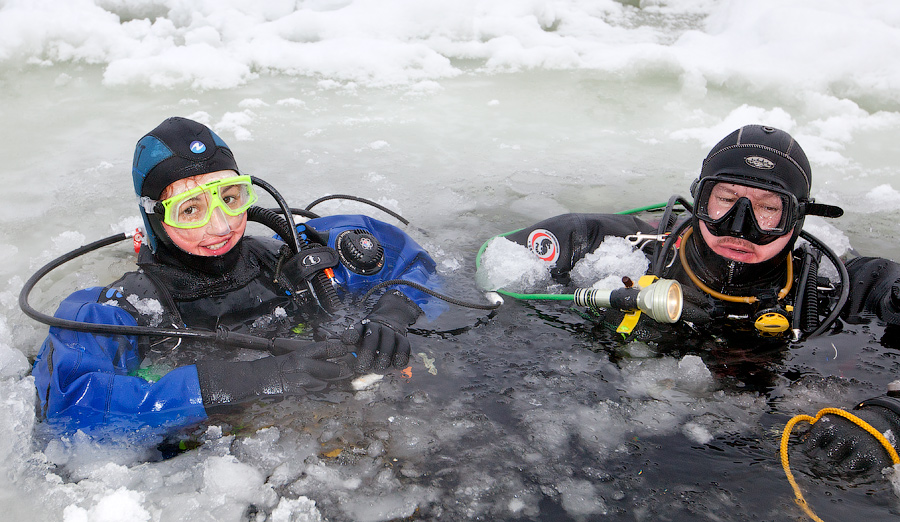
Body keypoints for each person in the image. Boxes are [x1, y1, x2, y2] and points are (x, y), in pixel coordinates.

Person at [482, 124, 900, 474]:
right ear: (700, 198)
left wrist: (890, 414)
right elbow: (493, 270)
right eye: (725, 200)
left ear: (797, 218)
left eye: (768, 209)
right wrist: (607, 317)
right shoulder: (608, 245)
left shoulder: (848, 285)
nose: (739, 226)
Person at [31, 116, 443, 434]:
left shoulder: (287, 258)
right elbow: (70, 407)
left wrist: (394, 313)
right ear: (154, 218)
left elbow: (408, 259)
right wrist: (247, 380)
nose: (221, 226)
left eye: (230, 199)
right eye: (190, 209)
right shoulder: (122, 309)